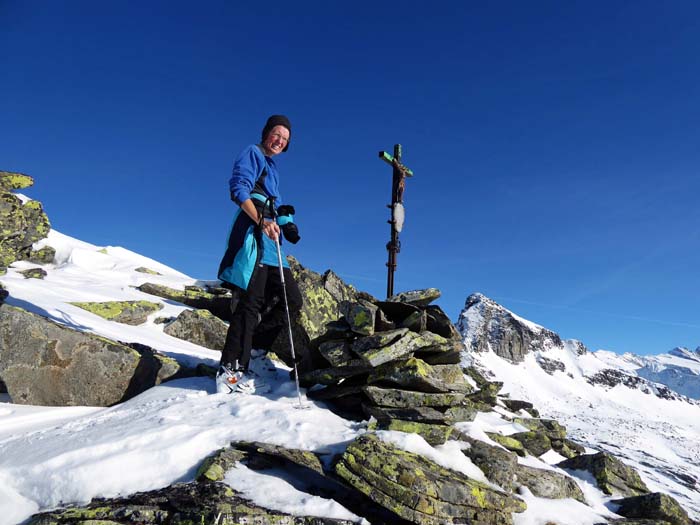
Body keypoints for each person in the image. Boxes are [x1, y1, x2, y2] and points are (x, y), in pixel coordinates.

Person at [216, 115, 303, 394]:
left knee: (292, 299)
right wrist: (261, 221)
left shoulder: (273, 168)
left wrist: (286, 222)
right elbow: (239, 190)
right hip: (254, 241)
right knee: (248, 306)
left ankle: (254, 353)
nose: (279, 141)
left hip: (272, 247)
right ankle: (229, 373)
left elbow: (272, 205)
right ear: (266, 133)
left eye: (285, 139)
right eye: (276, 134)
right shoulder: (252, 153)